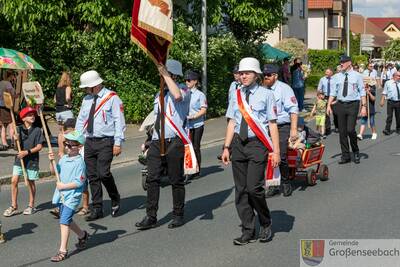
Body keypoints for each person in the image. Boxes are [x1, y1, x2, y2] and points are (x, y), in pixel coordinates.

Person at [222, 57, 280, 245]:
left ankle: (265, 222)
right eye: (241, 73)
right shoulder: (236, 94)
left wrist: (276, 151)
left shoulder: (266, 94)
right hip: (239, 144)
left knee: (254, 188)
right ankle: (248, 229)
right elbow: (232, 121)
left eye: (247, 73)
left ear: (256, 75)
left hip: (257, 145)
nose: (243, 76)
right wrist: (226, 147)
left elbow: (272, 124)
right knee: (241, 190)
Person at [135, 59, 190, 230]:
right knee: (152, 179)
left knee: (176, 180)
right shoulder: (158, 94)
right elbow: (156, 119)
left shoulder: (184, 90)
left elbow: (177, 96)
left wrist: (165, 74)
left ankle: (178, 214)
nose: (162, 77)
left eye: (166, 74)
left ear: (173, 75)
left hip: (175, 141)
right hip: (158, 141)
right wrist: (148, 141)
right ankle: (151, 215)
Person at [75, 70, 126, 221]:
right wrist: (77, 140)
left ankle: (114, 196)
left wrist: (118, 143)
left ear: (94, 85)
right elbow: (81, 120)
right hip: (89, 141)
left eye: (86, 87)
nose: (84, 90)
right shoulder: (86, 99)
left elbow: (119, 121)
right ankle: (97, 208)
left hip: (106, 141)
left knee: (103, 173)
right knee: (92, 176)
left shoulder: (112, 98)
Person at [48, 130, 89, 262]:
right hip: (61, 195)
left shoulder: (80, 163)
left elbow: (79, 182)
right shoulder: (64, 158)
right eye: (66, 144)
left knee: (64, 221)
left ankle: (62, 251)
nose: (67, 147)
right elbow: (55, 171)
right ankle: (83, 235)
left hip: (71, 196)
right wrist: (51, 162)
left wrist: (64, 186)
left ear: (79, 147)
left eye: (70, 145)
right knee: (67, 220)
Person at [262, 64, 298, 197]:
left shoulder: (285, 89)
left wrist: (293, 129)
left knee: (281, 155)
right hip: (266, 127)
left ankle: (285, 181)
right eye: (264, 75)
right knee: (268, 156)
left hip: (282, 126)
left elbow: (293, 109)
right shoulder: (261, 89)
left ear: (275, 76)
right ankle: (273, 184)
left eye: (269, 75)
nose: (266, 77)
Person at [3, 107, 44, 217]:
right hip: (19, 159)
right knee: (14, 180)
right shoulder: (18, 129)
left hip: (32, 160)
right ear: (23, 118)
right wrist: (14, 139)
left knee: (30, 182)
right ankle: (14, 206)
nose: (32, 116)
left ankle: (31, 205)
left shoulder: (37, 130)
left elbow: (39, 146)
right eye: (29, 115)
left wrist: (27, 152)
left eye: (33, 115)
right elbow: (17, 148)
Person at [327, 55, 367, 164]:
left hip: (353, 104)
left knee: (350, 130)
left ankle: (355, 151)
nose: (341, 64)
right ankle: (345, 156)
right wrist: (328, 106)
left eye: (343, 62)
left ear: (349, 63)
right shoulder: (336, 77)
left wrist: (364, 107)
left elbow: (362, 92)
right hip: (340, 105)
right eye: (340, 62)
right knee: (342, 132)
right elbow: (333, 93)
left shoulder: (357, 76)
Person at [50, 118, 90, 218]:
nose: (66, 135)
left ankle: (85, 206)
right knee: (65, 182)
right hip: (68, 161)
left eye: (69, 132)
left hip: (79, 162)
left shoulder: (79, 140)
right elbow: (62, 149)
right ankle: (62, 207)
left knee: (83, 185)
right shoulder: (65, 139)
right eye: (65, 132)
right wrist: (59, 156)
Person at [185, 70, 207, 179]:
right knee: (188, 148)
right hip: (187, 125)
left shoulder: (200, 95)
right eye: (185, 80)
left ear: (195, 81)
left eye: (189, 80)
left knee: (196, 146)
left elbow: (203, 110)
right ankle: (190, 168)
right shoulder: (184, 93)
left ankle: (197, 170)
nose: (186, 82)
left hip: (197, 124)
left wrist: (194, 116)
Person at [54, 72, 74, 155]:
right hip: (66, 110)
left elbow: (54, 100)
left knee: (61, 132)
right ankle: (69, 150)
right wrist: (69, 104)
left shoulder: (58, 88)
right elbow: (68, 97)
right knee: (70, 130)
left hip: (58, 111)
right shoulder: (68, 87)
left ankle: (60, 152)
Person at [0, 71, 16, 151]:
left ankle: (4, 143)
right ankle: (13, 141)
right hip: (7, 105)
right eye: (13, 75)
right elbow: (11, 94)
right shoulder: (8, 83)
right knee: (11, 124)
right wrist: (16, 95)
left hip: (0, 106)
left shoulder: (1, 83)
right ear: (11, 76)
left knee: (3, 125)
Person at [317, 68, 337, 134]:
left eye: (328, 72)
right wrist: (319, 96)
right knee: (326, 113)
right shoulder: (322, 79)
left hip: (333, 97)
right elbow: (319, 88)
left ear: (331, 73)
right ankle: (327, 129)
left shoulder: (335, 79)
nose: (326, 73)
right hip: (325, 97)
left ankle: (337, 126)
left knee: (335, 112)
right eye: (326, 72)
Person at [381, 71, 400, 135]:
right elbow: (384, 92)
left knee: (398, 116)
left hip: (398, 102)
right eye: (398, 76)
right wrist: (382, 100)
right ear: (394, 76)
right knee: (389, 116)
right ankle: (387, 129)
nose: (399, 77)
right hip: (390, 102)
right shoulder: (388, 83)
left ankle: (398, 129)